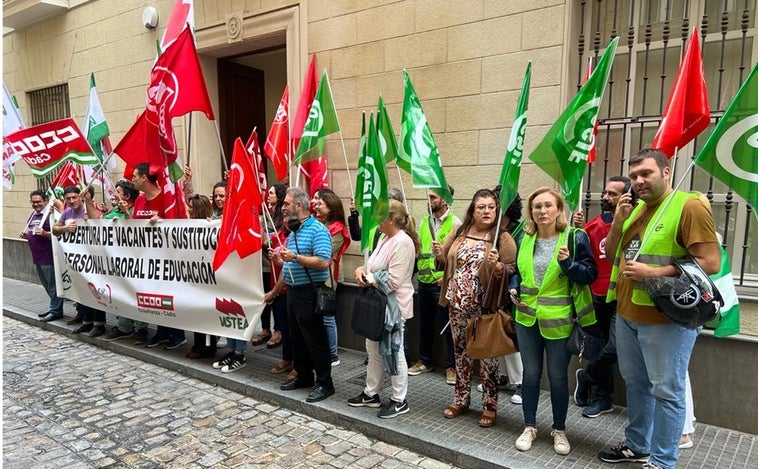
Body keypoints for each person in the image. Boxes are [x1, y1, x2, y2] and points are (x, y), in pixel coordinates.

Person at [598, 149, 720, 469]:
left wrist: (653, 273)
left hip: (667, 320)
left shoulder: (688, 206)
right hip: (627, 315)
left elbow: (711, 263)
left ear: (666, 173)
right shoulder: (635, 209)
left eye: (646, 173)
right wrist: (619, 222)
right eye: (634, 175)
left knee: (667, 391)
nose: (638, 181)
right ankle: (638, 445)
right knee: (637, 384)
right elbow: (613, 256)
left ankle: (663, 462)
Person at [510, 187, 598, 456]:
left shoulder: (574, 237)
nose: (542, 211)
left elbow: (590, 274)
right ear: (531, 212)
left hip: (559, 321)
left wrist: (568, 264)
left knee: (558, 378)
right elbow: (517, 271)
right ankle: (529, 426)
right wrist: (513, 287)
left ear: (559, 209)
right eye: (537, 207)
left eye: (548, 205)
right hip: (526, 318)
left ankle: (559, 429)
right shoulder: (525, 237)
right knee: (530, 374)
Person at [434, 188, 517, 428]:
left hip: (484, 309)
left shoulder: (502, 237)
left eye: (491, 207)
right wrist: (440, 254)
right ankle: (461, 399)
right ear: (473, 210)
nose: (487, 211)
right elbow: (445, 259)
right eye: (481, 207)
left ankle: (490, 405)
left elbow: (512, 269)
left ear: (497, 209)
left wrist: (499, 267)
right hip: (457, 305)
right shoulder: (460, 231)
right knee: (460, 354)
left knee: (488, 358)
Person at [349, 200, 419, 418]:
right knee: (373, 349)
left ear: (390, 219)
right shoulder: (386, 238)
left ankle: (400, 399)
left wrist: (368, 277)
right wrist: (361, 270)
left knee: (394, 351)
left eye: (379, 216)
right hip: (379, 305)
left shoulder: (403, 242)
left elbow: (394, 280)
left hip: (394, 308)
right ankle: (371, 393)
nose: (375, 221)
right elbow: (373, 266)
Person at [265, 187, 335, 403]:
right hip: (293, 294)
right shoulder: (293, 232)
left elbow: (324, 261)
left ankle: (325, 383)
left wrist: (294, 257)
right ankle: (304, 376)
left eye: (286, 204)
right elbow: (288, 270)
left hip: (309, 293)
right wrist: (275, 291)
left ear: (298, 206)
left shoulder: (317, 230)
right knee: (297, 339)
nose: (283, 208)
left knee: (315, 339)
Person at [572, 176, 631, 418]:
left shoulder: (635, 223)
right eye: (605, 192)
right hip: (595, 296)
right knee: (599, 348)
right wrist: (576, 228)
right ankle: (602, 398)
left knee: (615, 347)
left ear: (626, 197)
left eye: (612, 194)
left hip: (621, 297)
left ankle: (586, 377)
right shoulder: (592, 226)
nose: (605, 197)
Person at [83, 180, 151, 342]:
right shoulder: (115, 210)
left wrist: (126, 213)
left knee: (137, 295)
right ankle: (124, 327)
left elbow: (137, 230)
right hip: (117, 264)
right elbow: (97, 220)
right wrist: (87, 200)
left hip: (136, 263)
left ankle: (141, 329)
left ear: (126, 196)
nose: (114, 194)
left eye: (118, 191)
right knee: (121, 294)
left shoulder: (139, 209)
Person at [131, 163, 187, 350]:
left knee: (170, 298)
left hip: (168, 259)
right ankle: (162, 331)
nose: (133, 180)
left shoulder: (167, 196)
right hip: (147, 260)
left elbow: (179, 223)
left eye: (135, 176)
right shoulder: (139, 200)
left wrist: (162, 223)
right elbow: (135, 226)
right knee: (155, 299)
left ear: (145, 178)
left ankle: (178, 334)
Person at [408, 187, 458, 386]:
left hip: (442, 284)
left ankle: (451, 366)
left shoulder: (456, 223)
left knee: (449, 326)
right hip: (424, 283)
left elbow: (456, 256)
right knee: (425, 325)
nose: (429, 201)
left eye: (433, 197)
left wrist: (448, 277)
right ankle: (425, 360)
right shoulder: (424, 222)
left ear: (445, 200)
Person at [52, 185, 108, 337]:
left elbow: (97, 222)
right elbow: (54, 229)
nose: (71, 201)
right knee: (83, 292)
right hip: (77, 261)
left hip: (94, 259)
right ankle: (86, 321)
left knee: (96, 291)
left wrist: (88, 206)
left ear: (80, 196)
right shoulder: (67, 212)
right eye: (68, 199)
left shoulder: (89, 208)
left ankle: (99, 324)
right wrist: (64, 228)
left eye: (74, 197)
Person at [313, 188, 351, 366]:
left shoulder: (338, 229)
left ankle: (333, 355)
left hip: (327, 278)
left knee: (327, 315)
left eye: (320, 204)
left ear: (331, 208)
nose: (316, 206)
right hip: (313, 276)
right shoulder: (316, 224)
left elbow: (324, 253)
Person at [184, 194, 220, 359]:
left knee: (206, 314)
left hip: (208, 277)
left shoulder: (211, 226)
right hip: (194, 276)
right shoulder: (189, 225)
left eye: (191, 207)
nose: (188, 209)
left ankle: (207, 348)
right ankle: (198, 345)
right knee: (196, 313)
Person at [22, 190, 64, 322]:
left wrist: (45, 233)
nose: (36, 204)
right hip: (37, 257)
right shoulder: (33, 215)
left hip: (49, 256)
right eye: (33, 202)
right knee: (47, 285)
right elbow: (32, 231)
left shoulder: (51, 214)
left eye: (38, 201)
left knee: (53, 285)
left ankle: (56, 310)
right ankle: (53, 307)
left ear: (45, 201)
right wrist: (26, 235)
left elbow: (60, 235)